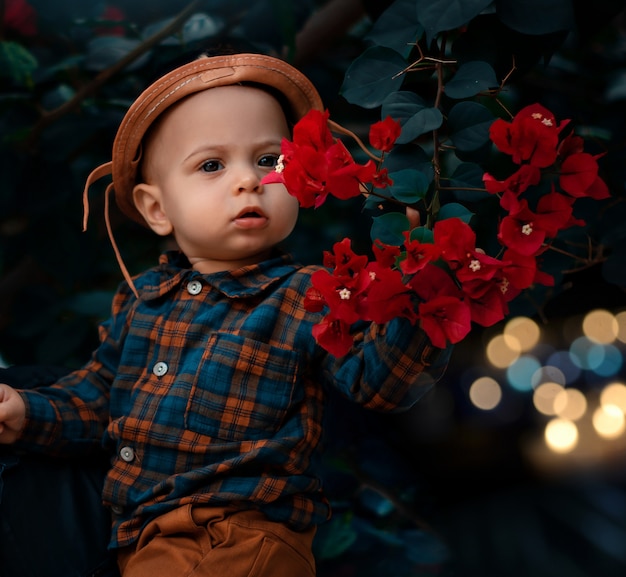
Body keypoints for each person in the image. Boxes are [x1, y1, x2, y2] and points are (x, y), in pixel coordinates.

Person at [0, 53, 449, 577]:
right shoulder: (141, 301)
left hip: (241, 533)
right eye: (212, 165)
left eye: (269, 161)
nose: (249, 181)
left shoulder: (308, 295)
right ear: (156, 209)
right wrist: (27, 415)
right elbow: (100, 398)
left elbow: (381, 382)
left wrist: (414, 294)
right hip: (146, 537)